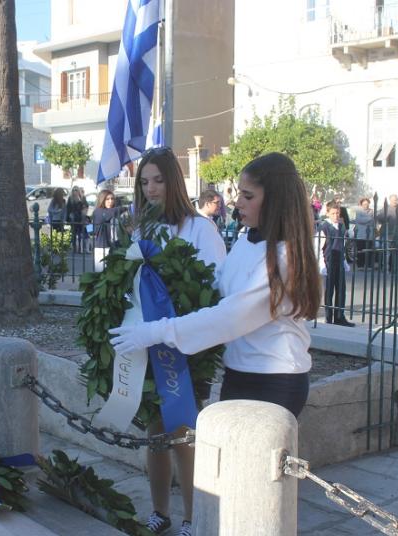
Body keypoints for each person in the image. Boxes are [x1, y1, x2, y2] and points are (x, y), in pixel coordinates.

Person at [109, 152, 321, 535]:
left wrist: (155, 331)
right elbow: (215, 291)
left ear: (274, 200)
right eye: (239, 193)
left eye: (248, 196)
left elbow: (229, 317)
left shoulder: (284, 257)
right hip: (240, 374)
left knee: (258, 493)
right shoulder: (246, 242)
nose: (237, 203)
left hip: (276, 381)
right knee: (238, 485)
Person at [112, 147, 227, 536]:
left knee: (184, 434)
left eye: (159, 180)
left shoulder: (200, 229)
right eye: (145, 182)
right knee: (156, 434)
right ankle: (160, 511)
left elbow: (213, 288)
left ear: (174, 181)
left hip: (187, 349)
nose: (151, 189)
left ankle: (194, 517)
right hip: (147, 344)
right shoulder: (142, 230)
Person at [320, 202, 354, 327]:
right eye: (333, 213)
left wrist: (344, 261)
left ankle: (339, 317)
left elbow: (342, 244)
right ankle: (328, 317)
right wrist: (322, 264)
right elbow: (319, 247)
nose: (336, 216)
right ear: (328, 213)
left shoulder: (341, 226)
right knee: (329, 290)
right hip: (328, 261)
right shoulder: (324, 227)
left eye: (337, 213)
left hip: (339, 260)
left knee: (341, 289)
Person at [91, 189, 126, 272]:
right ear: (102, 200)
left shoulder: (113, 212)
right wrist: (127, 208)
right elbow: (112, 212)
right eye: (107, 199)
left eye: (112, 199)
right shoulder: (98, 211)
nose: (110, 201)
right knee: (101, 273)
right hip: (102, 247)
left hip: (115, 247)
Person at [375, 194, 398, 269]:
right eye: (393, 200)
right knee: (386, 251)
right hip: (387, 233)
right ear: (390, 200)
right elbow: (378, 219)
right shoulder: (385, 209)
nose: (395, 201)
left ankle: (396, 268)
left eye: (396, 200)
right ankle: (385, 267)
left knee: (397, 251)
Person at [353, 197, 375, 267]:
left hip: (370, 234)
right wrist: (369, 218)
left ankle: (368, 264)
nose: (366, 205)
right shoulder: (359, 211)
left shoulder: (372, 211)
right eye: (364, 204)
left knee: (369, 249)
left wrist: (366, 220)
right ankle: (360, 264)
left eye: (367, 204)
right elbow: (359, 220)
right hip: (361, 234)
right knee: (361, 249)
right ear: (361, 204)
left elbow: (373, 222)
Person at [66, 187, 88, 253]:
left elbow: (86, 206)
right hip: (73, 218)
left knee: (81, 233)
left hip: (81, 218)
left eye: (76, 190)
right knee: (74, 233)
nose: (74, 191)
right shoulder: (70, 198)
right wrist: (68, 218)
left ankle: (81, 248)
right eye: (73, 190)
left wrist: (80, 201)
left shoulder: (82, 198)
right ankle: (74, 247)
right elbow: (68, 208)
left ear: (78, 191)